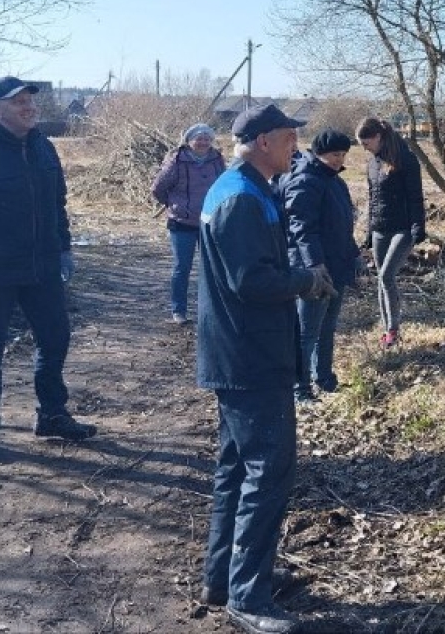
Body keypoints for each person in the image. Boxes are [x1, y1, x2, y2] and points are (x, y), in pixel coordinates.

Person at [197, 103, 332, 634]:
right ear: (261, 142)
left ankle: (224, 579)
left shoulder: (249, 189)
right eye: (287, 138)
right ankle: (248, 599)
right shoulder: (239, 199)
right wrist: (305, 279)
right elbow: (250, 281)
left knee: (236, 469)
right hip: (249, 356)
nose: (295, 147)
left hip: (245, 353)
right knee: (267, 473)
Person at [0, 77, 97, 463]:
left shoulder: (43, 148)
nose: (29, 107)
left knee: (55, 338)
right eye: (19, 102)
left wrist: (63, 248)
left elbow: (56, 204)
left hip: (42, 268)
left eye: (30, 100)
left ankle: (52, 415)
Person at [278, 129, 359, 404]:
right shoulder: (306, 179)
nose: (339, 159)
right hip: (313, 269)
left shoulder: (334, 181)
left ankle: (324, 378)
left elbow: (344, 227)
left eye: (343, 154)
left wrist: (354, 256)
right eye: (335, 154)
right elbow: (301, 228)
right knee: (306, 331)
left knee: (327, 326)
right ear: (319, 153)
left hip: (336, 266)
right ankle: (300, 389)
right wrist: (315, 266)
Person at [355, 117, 426, 349]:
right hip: (380, 229)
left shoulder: (406, 159)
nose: (364, 148)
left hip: (402, 228)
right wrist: (369, 231)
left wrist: (418, 227)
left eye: (366, 143)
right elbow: (372, 197)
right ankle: (386, 329)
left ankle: (393, 330)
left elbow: (415, 195)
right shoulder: (373, 163)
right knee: (381, 280)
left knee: (386, 276)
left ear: (378, 137)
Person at [151, 123, 226, 325]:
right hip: (181, 222)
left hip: (209, 221)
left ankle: (210, 311)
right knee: (181, 268)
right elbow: (158, 187)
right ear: (189, 140)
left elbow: (223, 185)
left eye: (206, 138)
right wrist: (174, 204)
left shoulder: (216, 160)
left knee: (211, 268)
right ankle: (178, 311)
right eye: (198, 138)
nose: (202, 142)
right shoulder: (177, 160)